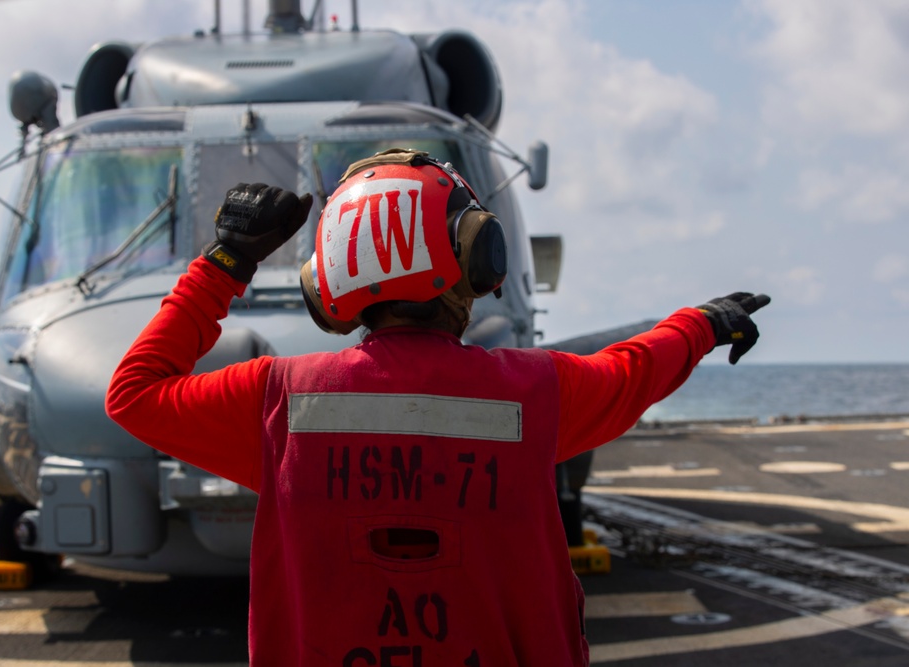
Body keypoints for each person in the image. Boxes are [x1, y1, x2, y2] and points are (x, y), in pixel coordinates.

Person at [106, 148, 770, 666]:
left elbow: (132, 393)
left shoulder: (278, 398)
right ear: (475, 254)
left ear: (330, 276)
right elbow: (632, 370)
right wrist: (702, 324)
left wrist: (226, 261)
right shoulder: (534, 391)